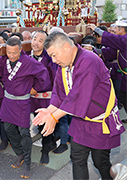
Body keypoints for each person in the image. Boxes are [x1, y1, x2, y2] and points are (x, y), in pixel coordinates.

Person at [32, 31, 125, 180]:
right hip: (80, 120)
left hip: (100, 122)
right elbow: (60, 94)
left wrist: (54, 117)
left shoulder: (89, 60)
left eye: (54, 55)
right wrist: (49, 111)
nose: (53, 60)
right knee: (77, 159)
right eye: (51, 57)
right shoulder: (64, 65)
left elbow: (78, 97)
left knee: (100, 162)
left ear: (66, 47)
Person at [0, 37, 50, 178]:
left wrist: (36, 88)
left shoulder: (28, 61)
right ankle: (19, 153)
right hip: (8, 101)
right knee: (8, 129)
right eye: (9, 52)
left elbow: (44, 74)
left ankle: (27, 162)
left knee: (24, 133)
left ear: (20, 50)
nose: (12, 55)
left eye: (15, 52)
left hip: (22, 102)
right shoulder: (2, 60)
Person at [30, 30, 69, 165]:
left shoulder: (50, 58)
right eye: (35, 39)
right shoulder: (27, 56)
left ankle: (46, 149)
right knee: (39, 123)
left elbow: (53, 78)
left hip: (48, 97)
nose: (36, 42)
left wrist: (37, 87)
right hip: (32, 97)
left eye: (41, 41)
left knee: (50, 122)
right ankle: (50, 142)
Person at [88, 21, 127, 121]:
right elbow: (109, 52)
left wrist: (96, 29)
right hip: (124, 76)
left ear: (122, 29)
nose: (114, 30)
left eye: (116, 28)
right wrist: (91, 51)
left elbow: (112, 38)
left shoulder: (124, 39)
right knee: (123, 95)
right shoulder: (121, 42)